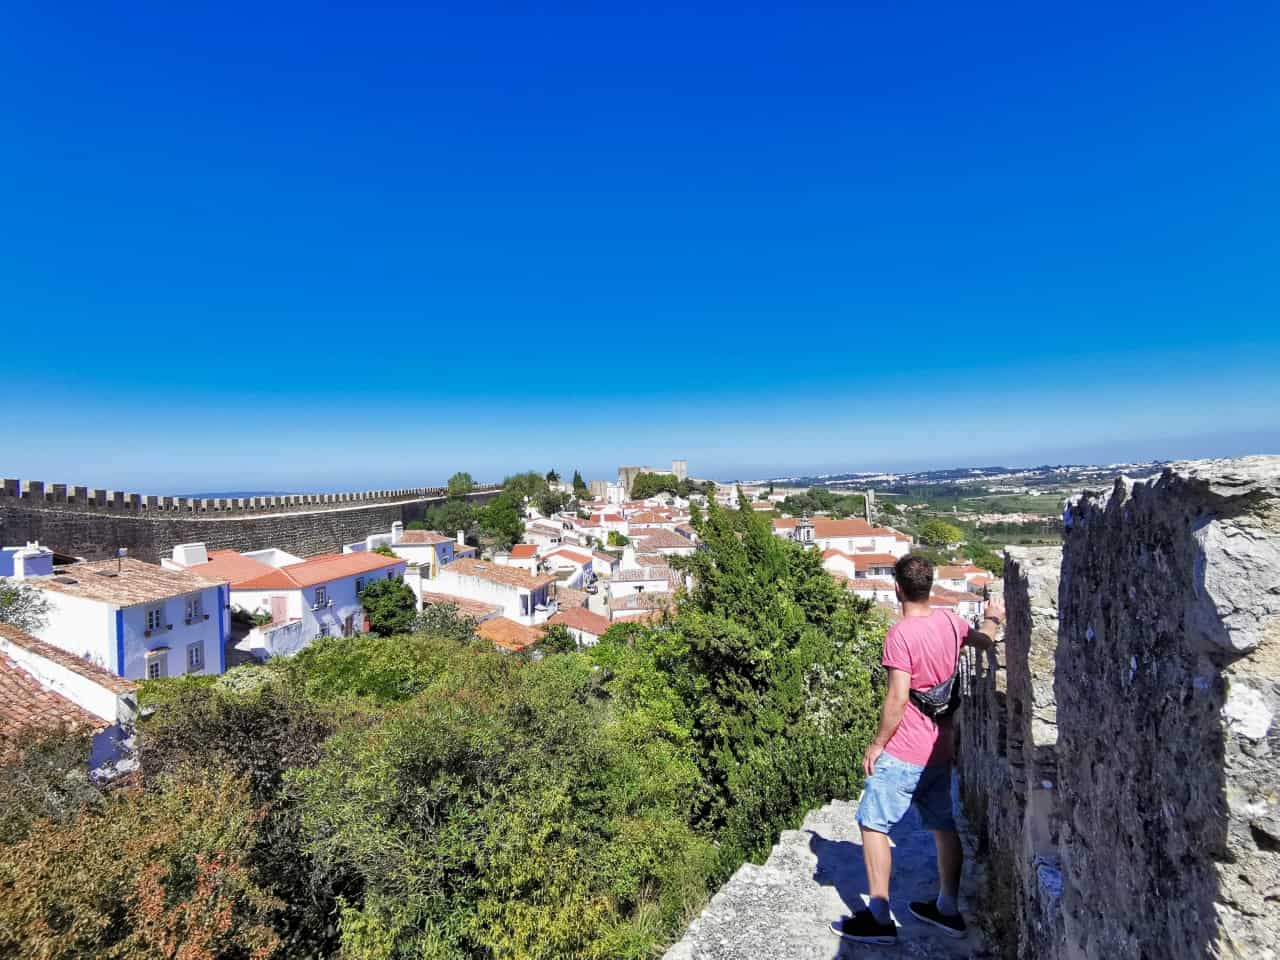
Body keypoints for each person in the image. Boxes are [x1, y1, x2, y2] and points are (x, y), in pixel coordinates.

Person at [831, 554, 1004, 945]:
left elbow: (897, 698)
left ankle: (878, 917)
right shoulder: (950, 621)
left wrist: (877, 745)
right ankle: (947, 907)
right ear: (929, 585)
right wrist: (993, 618)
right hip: (941, 751)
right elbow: (986, 640)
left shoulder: (900, 636)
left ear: (897, 588)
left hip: (905, 751)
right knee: (944, 826)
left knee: (873, 823)